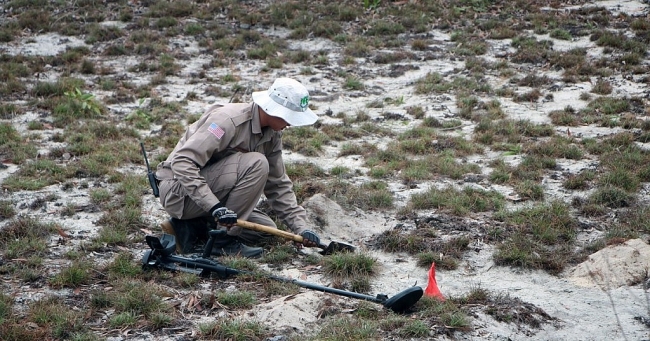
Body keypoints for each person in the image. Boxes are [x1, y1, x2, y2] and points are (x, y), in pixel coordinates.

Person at [155, 77, 321, 258]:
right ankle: (223, 241)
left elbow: (278, 184)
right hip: (178, 193)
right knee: (257, 163)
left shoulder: (273, 135)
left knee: (265, 231)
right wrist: (215, 207)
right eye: (290, 116)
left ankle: (190, 227)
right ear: (273, 109)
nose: (291, 124)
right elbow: (183, 162)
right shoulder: (226, 121)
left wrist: (301, 228)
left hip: (207, 197)